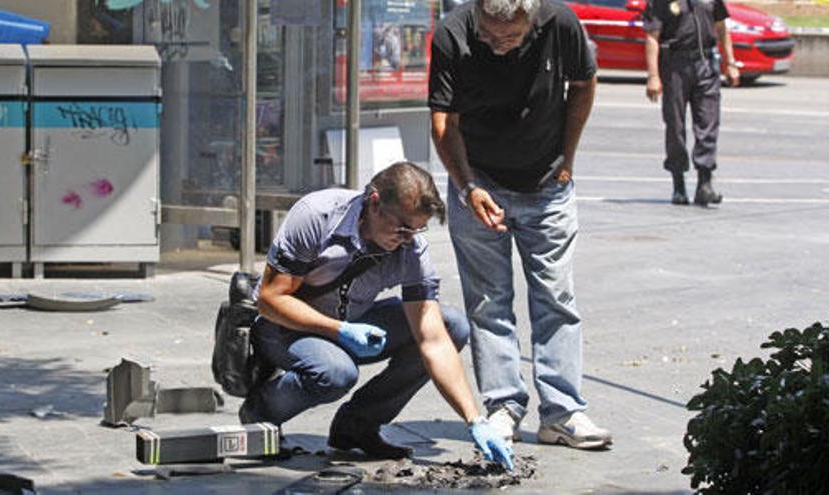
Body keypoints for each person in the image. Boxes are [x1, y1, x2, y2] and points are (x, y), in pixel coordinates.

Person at [239, 161, 513, 468]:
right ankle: (260, 413)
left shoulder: (411, 249)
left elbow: (433, 339)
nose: (408, 238)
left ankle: (357, 427)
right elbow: (270, 300)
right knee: (336, 373)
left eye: (417, 229)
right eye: (402, 228)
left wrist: (474, 420)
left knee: (451, 327)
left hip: (351, 322)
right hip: (284, 326)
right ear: (374, 203)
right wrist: (338, 329)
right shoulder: (318, 215)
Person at [429, 0, 611, 450]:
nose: (497, 45)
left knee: (556, 298)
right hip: (478, 180)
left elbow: (584, 86)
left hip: (547, 182)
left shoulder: (561, 22)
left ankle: (562, 413)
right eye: (488, 35)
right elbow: (442, 122)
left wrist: (567, 157)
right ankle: (503, 407)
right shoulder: (452, 34)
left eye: (509, 37)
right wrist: (468, 186)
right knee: (489, 302)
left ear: (532, 20)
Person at [643, 0, 740, 206]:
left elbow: (722, 27)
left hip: (706, 65)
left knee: (708, 123)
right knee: (675, 126)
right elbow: (652, 37)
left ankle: (704, 184)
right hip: (675, 66)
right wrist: (653, 76)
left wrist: (730, 62)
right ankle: (678, 186)